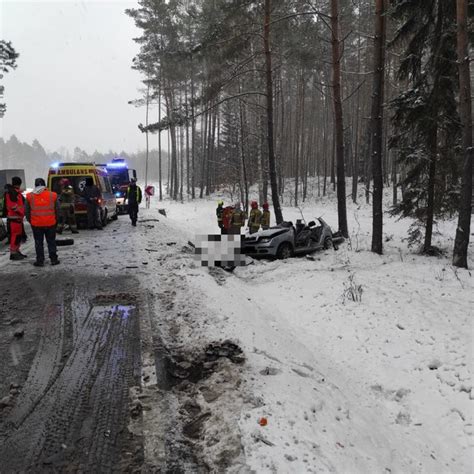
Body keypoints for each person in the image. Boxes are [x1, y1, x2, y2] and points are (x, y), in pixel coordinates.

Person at [26, 178, 60, 267]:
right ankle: (54, 259)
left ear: (35, 185)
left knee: (38, 243)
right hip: (51, 223)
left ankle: (40, 261)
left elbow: (27, 212)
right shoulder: (53, 195)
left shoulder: (29, 196)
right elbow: (58, 210)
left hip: (36, 224)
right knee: (51, 242)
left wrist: (31, 221)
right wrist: (56, 220)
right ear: (45, 185)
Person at [5, 176, 27, 261]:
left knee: (18, 236)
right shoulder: (12, 193)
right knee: (15, 236)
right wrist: (21, 212)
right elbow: (13, 206)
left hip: (17, 219)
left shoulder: (14, 192)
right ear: (19, 184)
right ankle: (13, 253)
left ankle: (17, 251)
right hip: (14, 218)